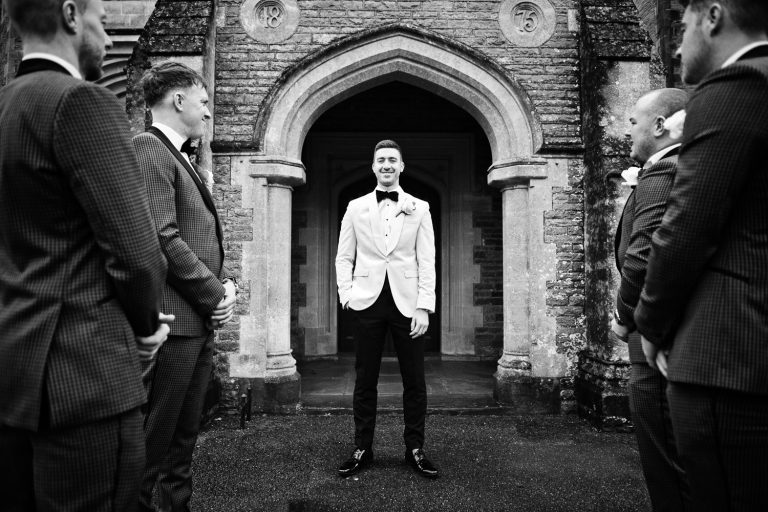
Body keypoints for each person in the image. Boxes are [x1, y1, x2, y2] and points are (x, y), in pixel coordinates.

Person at [0, 0, 170, 510]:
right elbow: (137, 251)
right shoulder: (83, 102)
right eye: (99, 18)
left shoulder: (7, 105)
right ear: (71, 16)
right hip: (84, 375)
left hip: (15, 374)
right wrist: (146, 329)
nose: (107, 35)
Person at [634, 1, 768, 510]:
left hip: (731, 356)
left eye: (683, 26)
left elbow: (686, 227)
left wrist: (651, 323)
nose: (675, 42)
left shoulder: (736, 87)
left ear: (713, 17)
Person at [134, 61, 237, 512]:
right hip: (175, 325)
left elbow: (200, 235)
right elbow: (163, 236)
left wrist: (227, 283)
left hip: (197, 325)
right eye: (204, 102)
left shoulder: (183, 156)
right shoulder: (149, 149)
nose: (209, 113)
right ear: (178, 101)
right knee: (153, 444)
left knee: (183, 441)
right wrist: (215, 295)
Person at [335, 139, 438, 479]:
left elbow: (427, 260)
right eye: (381, 160)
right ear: (373, 166)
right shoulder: (355, 207)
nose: (387, 165)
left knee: (415, 380)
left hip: (408, 304)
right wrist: (346, 293)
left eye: (393, 159)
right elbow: (344, 256)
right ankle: (362, 448)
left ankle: (415, 448)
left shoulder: (419, 207)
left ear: (402, 166)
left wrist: (424, 306)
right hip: (367, 301)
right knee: (365, 379)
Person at [613, 88, 691, 511]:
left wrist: (624, 315)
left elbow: (642, 256)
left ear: (660, 125)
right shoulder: (681, 166)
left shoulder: (663, 171)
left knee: (662, 452)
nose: (628, 130)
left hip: (651, 332)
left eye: (634, 122)